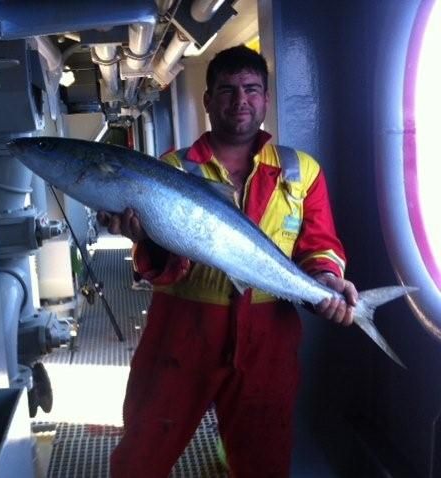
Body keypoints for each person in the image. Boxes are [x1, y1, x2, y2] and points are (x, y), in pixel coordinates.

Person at [97, 45, 358, 477]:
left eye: (252, 89)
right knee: (140, 457)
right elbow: (158, 268)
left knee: (263, 463)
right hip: (181, 331)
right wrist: (144, 238)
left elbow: (319, 246)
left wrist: (328, 279)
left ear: (266, 99)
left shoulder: (301, 171)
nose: (240, 101)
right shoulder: (172, 169)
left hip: (268, 337)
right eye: (227, 90)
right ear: (207, 100)